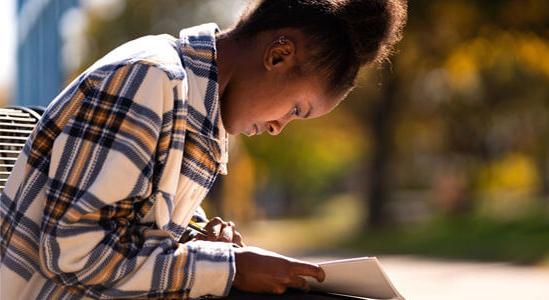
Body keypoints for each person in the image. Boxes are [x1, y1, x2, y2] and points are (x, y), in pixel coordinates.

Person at [0, 0, 407, 298]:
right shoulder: (151, 79)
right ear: (279, 54)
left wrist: (203, 239)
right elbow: (73, 251)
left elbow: (136, 226)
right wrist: (228, 269)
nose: (278, 127)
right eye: (296, 109)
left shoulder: (197, 114)